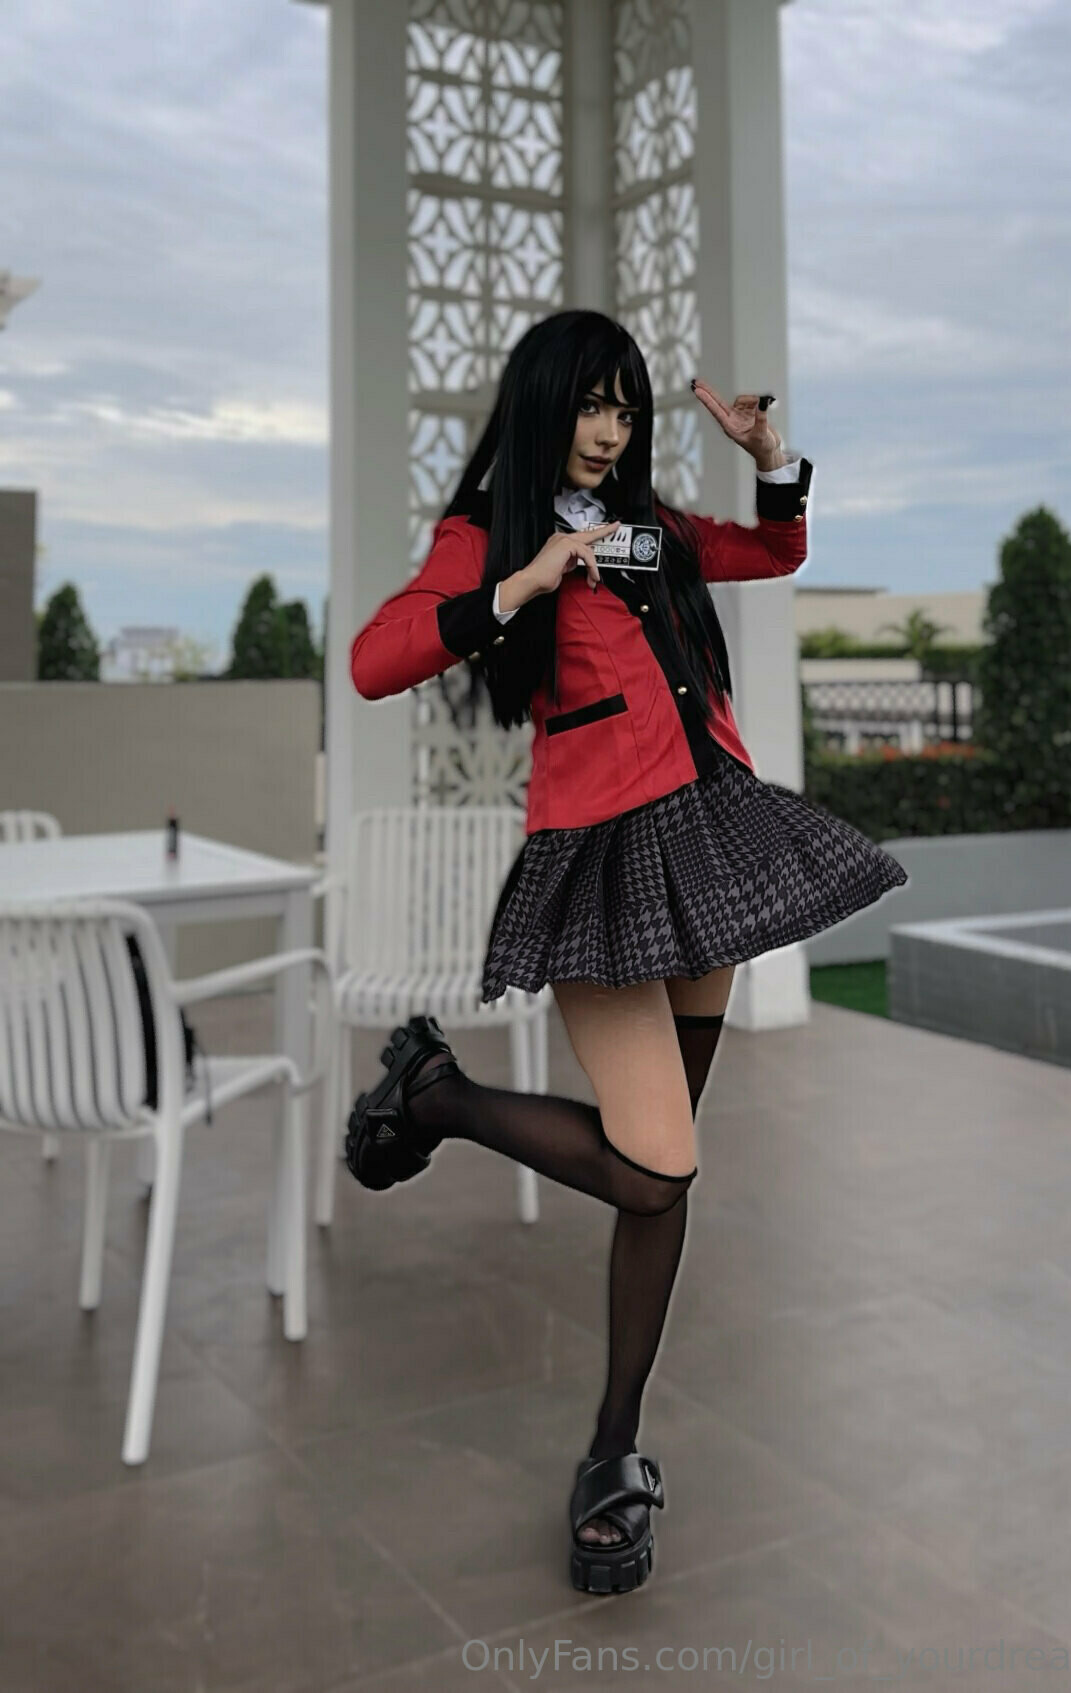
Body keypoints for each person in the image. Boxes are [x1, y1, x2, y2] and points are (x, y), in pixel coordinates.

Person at [346, 309, 909, 1595]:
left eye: (625, 407)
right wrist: (525, 583)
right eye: (592, 404)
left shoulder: (651, 522)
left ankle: (613, 1447)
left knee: (661, 1175)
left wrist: (772, 460)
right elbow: (376, 660)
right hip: (596, 855)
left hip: (707, 836)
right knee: (657, 1167)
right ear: (546, 402)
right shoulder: (485, 531)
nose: (609, 430)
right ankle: (438, 1097)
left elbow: (772, 551)